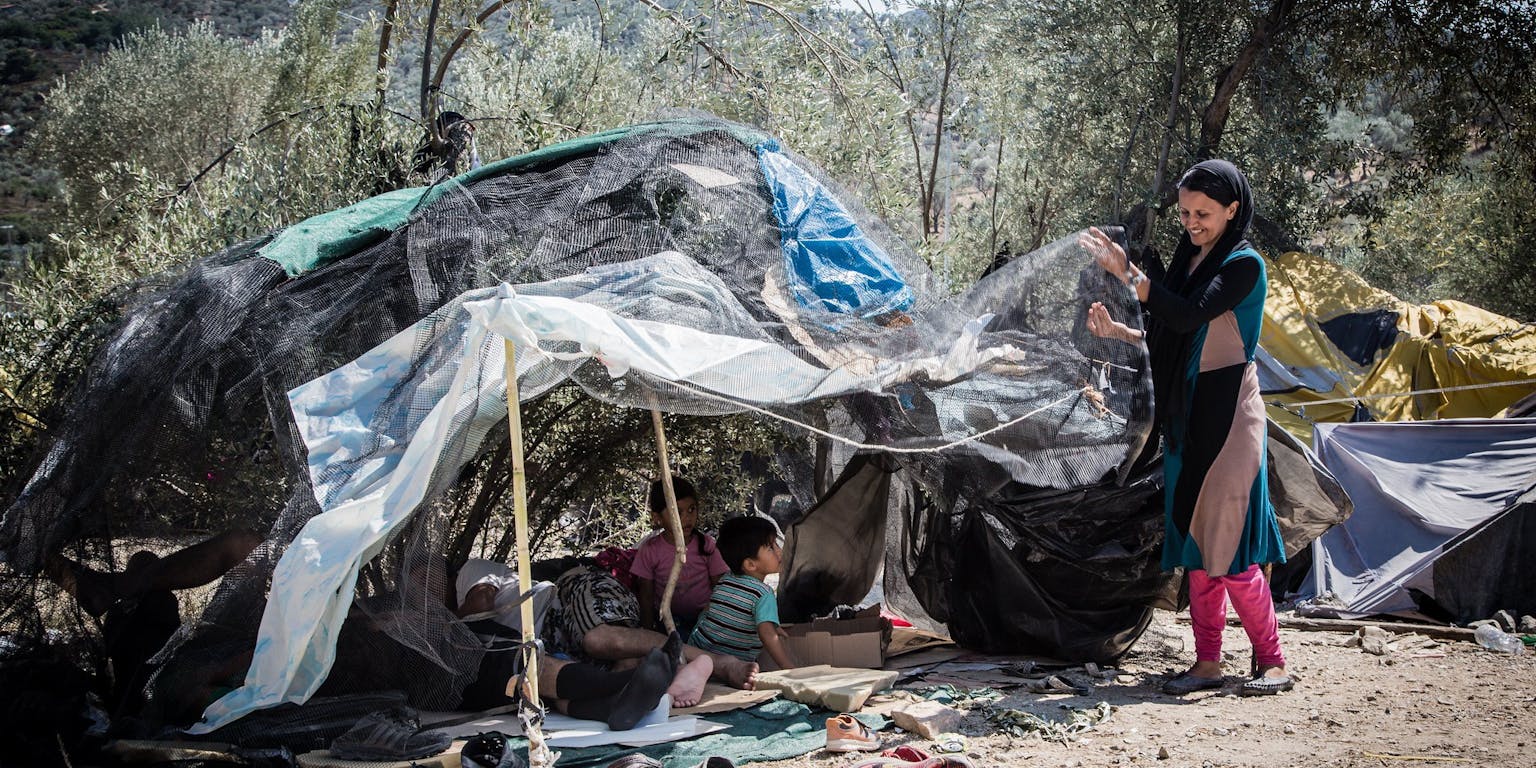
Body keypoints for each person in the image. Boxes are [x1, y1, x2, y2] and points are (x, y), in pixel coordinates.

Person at [1081, 159, 1293, 697]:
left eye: (1202, 213)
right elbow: (1167, 333)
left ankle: (1271, 660)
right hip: (1186, 419)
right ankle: (1207, 664)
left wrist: (1127, 272)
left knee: (1229, 546)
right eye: (1184, 213)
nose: (1192, 222)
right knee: (1196, 548)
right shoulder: (1191, 258)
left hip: (1228, 420)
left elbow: (1187, 314)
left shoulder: (1244, 266)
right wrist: (1121, 332)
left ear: (1232, 210)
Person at [688, 516, 796, 671]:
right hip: (730, 667)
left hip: (696, 654)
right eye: (771, 548)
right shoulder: (763, 594)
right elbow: (767, 636)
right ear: (750, 564)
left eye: (776, 544)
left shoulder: (726, 579)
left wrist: (771, 623)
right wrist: (789, 668)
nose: (779, 550)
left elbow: (713, 610)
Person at [630, 476, 729, 637]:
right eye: (677, 512)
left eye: (692, 509)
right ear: (657, 518)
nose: (687, 518)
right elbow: (646, 595)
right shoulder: (650, 550)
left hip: (706, 618)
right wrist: (648, 633)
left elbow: (721, 587)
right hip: (667, 621)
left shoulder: (706, 545)